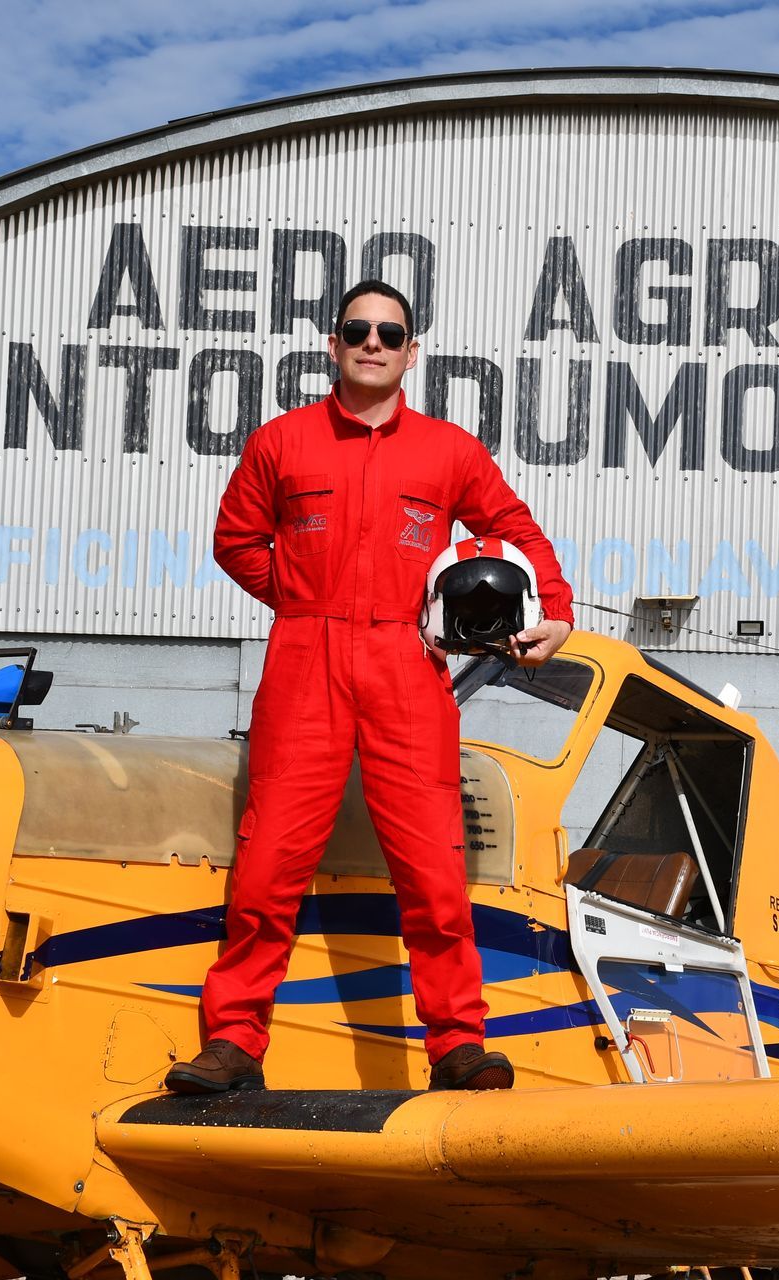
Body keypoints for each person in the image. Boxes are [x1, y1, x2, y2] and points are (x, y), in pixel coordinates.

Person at [166, 280, 573, 1095]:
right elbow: (236, 540)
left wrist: (554, 611)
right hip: (305, 662)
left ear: (411, 352)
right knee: (268, 865)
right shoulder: (282, 442)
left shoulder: (449, 452)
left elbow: (515, 530)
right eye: (358, 330)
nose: (373, 343)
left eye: (390, 333)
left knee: (433, 871)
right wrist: (299, 601)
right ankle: (235, 1042)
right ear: (334, 344)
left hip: (406, 664)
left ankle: (458, 1045)